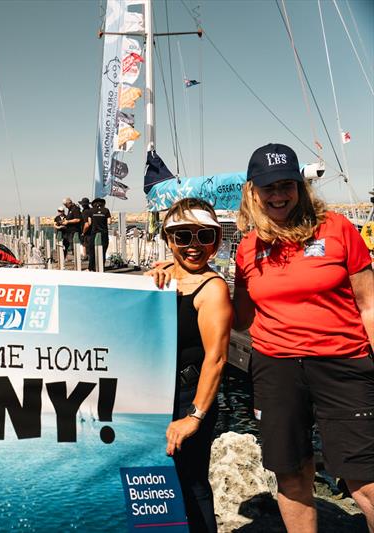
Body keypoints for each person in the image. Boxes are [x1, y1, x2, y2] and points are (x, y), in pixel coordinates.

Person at [151, 143, 374, 532]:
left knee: (364, 480)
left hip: (342, 363)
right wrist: (183, 271)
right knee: (291, 475)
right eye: (268, 187)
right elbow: (240, 318)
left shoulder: (337, 228)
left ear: (300, 188)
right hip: (277, 369)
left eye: (287, 185)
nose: (278, 195)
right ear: (253, 191)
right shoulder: (249, 247)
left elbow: (368, 305)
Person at [160, 198, 232, 533]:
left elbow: (216, 359)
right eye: (183, 236)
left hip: (189, 397)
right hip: (156, 394)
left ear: (216, 241)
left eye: (204, 236)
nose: (194, 246)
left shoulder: (212, 289)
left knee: (191, 483)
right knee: (158, 480)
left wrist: (194, 417)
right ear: (168, 239)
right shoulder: (160, 279)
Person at [83, 197, 111, 271]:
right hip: (104, 233)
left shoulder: (91, 211)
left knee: (92, 252)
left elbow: (89, 223)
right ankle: (101, 267)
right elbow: (109, 222)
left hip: (94, 233)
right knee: (103, 251)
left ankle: (91, 268)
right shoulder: (106, 210)